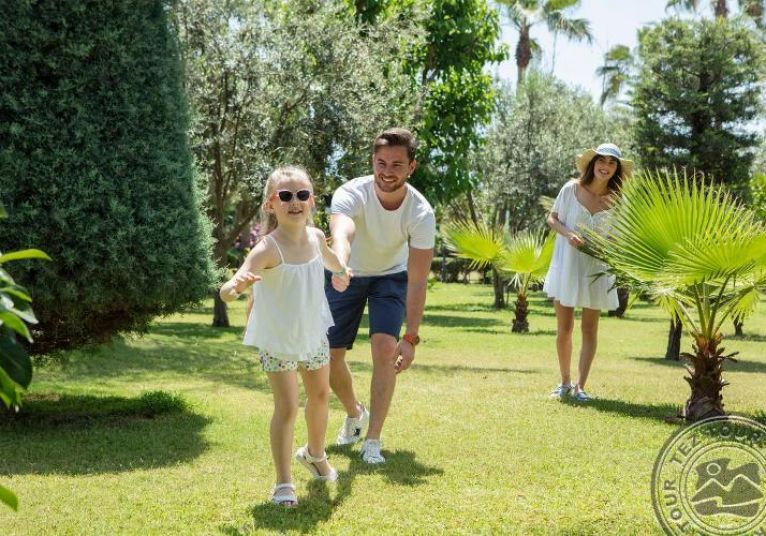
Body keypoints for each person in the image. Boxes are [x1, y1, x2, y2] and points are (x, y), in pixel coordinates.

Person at [220, 166, 350, 507]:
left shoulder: (316, 237)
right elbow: (228, 289)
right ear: (270, 204)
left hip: (313, 334)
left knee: (320, 396)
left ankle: (315, 454)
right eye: (286, 196)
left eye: (302, 195)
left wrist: (342, 271)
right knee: (288, 406)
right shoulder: (267, 248)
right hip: (278, 340)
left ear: (311, 201)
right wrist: (235, 287)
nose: (295, 201)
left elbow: (331, 260)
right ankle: (283, 483)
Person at [325, 128, 436, 464]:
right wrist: (340, 264)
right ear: (372, 160)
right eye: (381, 163)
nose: (387, 171)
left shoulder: (421, 212)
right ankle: (355, 413)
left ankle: (372, 440)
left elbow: (418, 279)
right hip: (347, 272)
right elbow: (342, 232)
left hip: (391, 277)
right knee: (327, 357)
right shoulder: (351, 193)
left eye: (397, 164)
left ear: (411, 167)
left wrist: (411, 337)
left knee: (386, 349)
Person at [543, 143, 633, 402]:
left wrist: (608, 246)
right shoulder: (571, 189)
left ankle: (580, 387)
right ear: (593, 163)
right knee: (565, 328)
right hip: (567, 266)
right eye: (601, 160)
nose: (606, 166)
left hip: (597, 270)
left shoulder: (618, 200)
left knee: (590, 329)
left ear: (616, 169)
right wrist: (568, 234)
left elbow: (619, 237)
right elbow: (552, 218)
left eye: (612, 163)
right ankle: (564, 382)